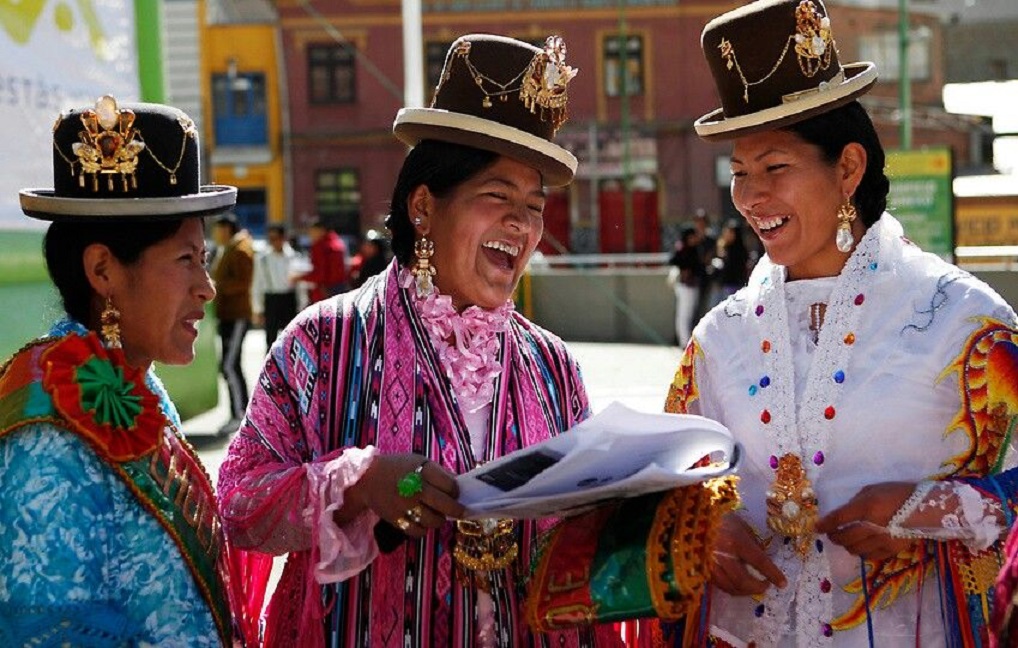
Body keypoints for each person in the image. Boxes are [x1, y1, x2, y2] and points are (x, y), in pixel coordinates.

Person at [217, 34, 627, 648]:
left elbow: (581, 530)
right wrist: (356, 485)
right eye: (497, 197)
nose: (521, 224)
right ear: (424, 207)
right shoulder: (322, 344)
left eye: (535, 207)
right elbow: (240, 503)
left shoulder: (551, 364)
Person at [656, 0, 1018, 645]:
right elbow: (665, 486)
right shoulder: (719, 339)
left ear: (848, 167)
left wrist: (928, 511)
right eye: (740, 173)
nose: (750, 197)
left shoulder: (965, 324)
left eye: (774, 169)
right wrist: (700, 528)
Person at [0, 96, 236, 645]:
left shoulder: (133, 383)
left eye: (205, 259)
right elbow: (47, 627)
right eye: (185, 260)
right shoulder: (47, 438)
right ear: (103, 270)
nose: (206, 287)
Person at [211, 213, 254, 429]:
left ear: (227, 229)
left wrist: (216, 288)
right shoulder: (227, 248)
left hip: (237, 315)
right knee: (230, 365)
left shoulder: (240, 250)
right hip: (227, 315)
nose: (215, 234)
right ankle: (238, 412)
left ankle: (240, 414)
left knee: (229, 365)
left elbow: (242, 282)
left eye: (218, 229)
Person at [253, 223, 299, 348]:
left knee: (291, 337)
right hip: (271, 299)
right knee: (270, 339)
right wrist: (258, 308)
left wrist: (302, 304)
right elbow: (257, 284)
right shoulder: (263, 258)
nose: (273, 242)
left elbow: (299, 283)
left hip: (289, 299)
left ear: (283, 238)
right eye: (271, 238)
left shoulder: (293, 256)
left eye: (276, 238)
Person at [667, 225, 701, 347]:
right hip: (685, 286)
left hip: (693, 285)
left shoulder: (694, 249)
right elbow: (673, 261)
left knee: (690, 315)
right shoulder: (682, 249)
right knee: (683, 315)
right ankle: (684, 342)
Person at [297, 219, 348, 302]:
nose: (310, 235)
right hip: (340, 288)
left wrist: (299, 277)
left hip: (325, 291)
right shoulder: (338, 242)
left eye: (312, 231)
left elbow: (319, 274)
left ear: (321, 230)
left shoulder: (320, 246)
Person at [715, 218, 751, 298]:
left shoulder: (739, 250)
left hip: (735, 285)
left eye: (730, 232)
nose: (727, 234)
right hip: (724, 285)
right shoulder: (725, 247)